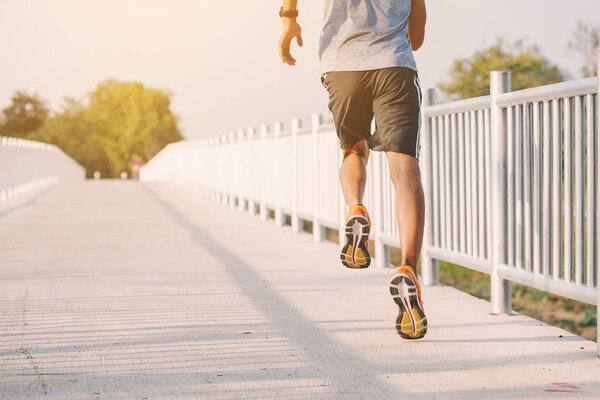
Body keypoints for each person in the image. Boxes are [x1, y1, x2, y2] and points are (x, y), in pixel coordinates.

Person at [278, 0, 428, 339]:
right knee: (405, 168)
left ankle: (356, 207)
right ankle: (408, 267)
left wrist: (289, 20)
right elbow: (416, 36)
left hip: (341, 65)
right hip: (394, 67)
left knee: (352, 150)